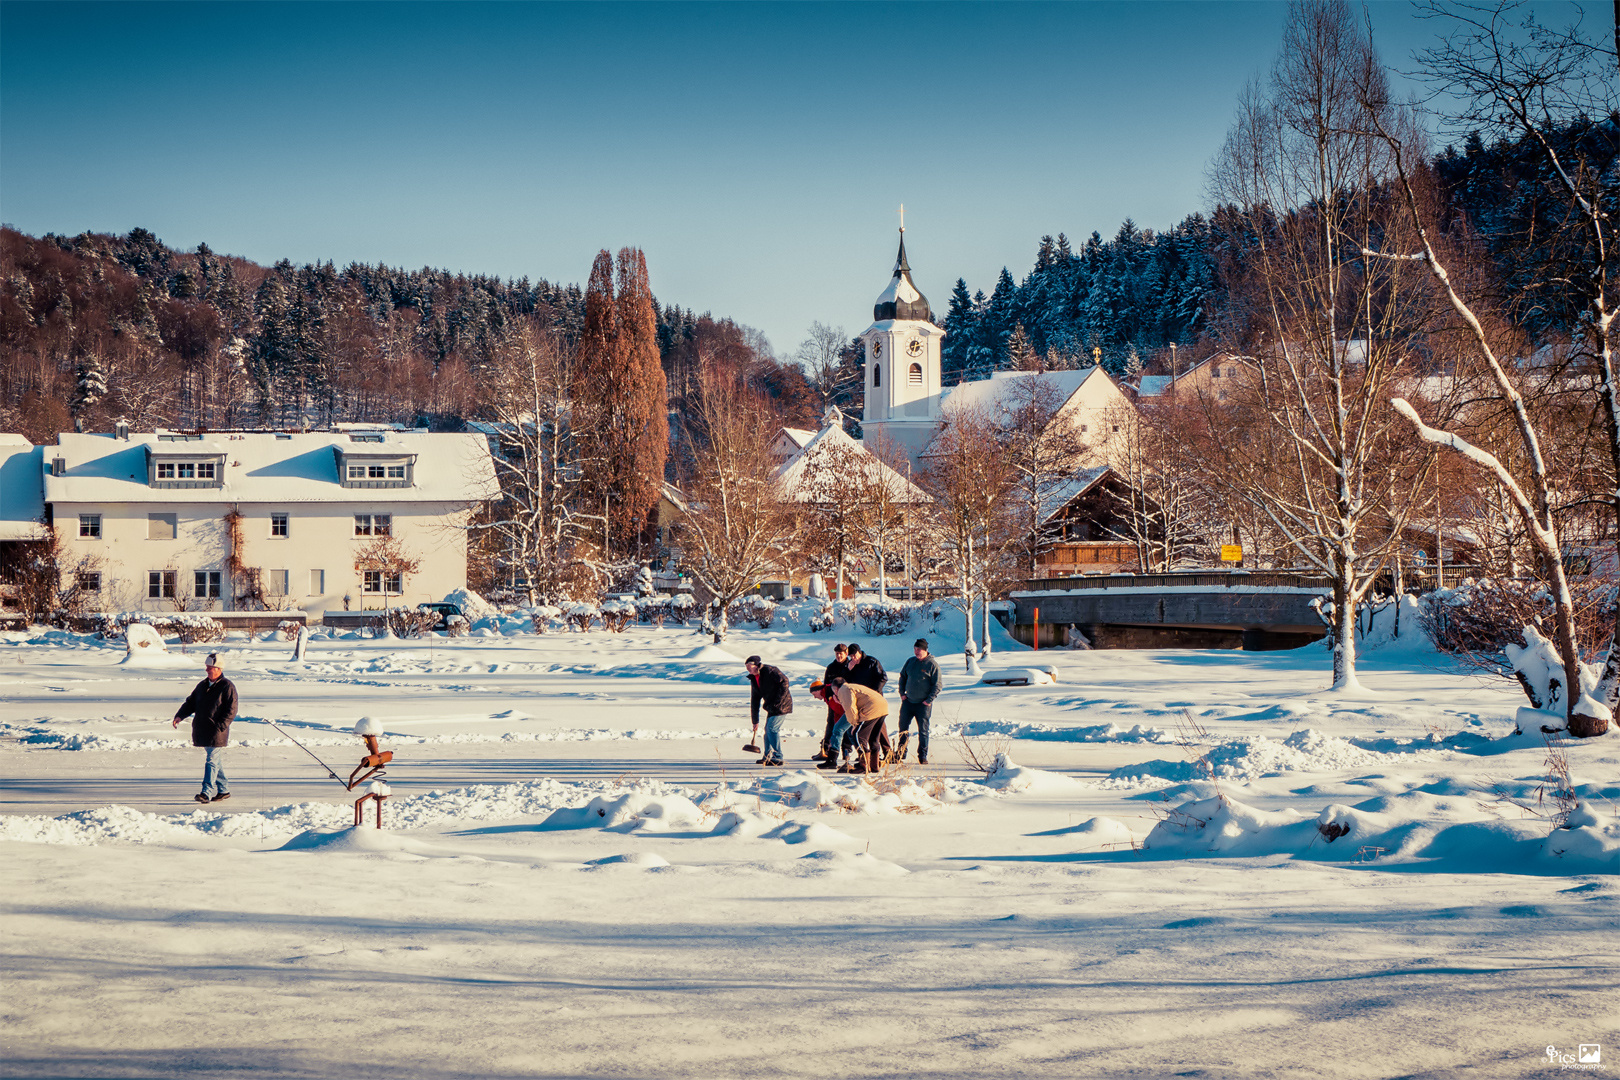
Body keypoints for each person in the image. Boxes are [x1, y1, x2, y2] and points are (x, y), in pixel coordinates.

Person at [171, 652, 238, 803]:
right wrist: (180, 715)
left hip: (217, 731)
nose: (207, 670)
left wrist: (221, 726)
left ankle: (206, 792)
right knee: (215, 761)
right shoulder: (202, 685)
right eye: (206, 667)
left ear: (219, 669)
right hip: (203, 729)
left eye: (210, 668)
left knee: (212, 761)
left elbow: (232, 710)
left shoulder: (227, 686)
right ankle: (224, 789)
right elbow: (191, 703)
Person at [823, 676, 889, 773]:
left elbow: (850, 708)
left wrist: (854, 724)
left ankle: (863, 766)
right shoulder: (851, 687)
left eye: (834, 690)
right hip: (882, 707)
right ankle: (874, 766)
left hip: (871, 709)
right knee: (873, 737)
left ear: (835, 688)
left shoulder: (843, 690)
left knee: (858, 735)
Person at [896, 637, 942, 765]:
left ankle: (922, 755)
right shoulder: (910, 662)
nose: (916, 652)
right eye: (915, 649)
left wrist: (929, 700)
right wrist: (902, 693)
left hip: (923, 705)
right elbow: (903, 677)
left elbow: (937, 685)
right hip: (908, 702)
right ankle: (901, 753)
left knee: (923, 731)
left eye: (919, 649)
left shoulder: (932, 665)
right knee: (903, 728)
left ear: (925, 650)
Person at [844, 644, 891, 763]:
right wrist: (849, 670)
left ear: (860, 653)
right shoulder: (851, 665)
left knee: (879, 728)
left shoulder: (871, 661)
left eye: (854, 655)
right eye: (850, 656)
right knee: (866, 729)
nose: (853, 658)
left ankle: (887, 752)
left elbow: (883, 677)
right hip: (861, 700)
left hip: (875, 700)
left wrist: (873, 692)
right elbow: (848, 683)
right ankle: (867, 755)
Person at [744, 655, 792, 766]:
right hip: (771, 706)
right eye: (746, 666)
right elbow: (755, 700)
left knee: (772, 728)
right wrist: (755, 721)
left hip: (782, 705)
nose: (748, 668)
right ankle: (767, 756)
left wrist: (778, 700)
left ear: (756, 665)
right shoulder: (754, 679)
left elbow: (785, 681)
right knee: (767, 730)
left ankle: (778, 757)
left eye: (749, 666)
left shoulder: (770, 670)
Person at [814, 644, 852, 761]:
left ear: (846, 654)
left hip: (846, 701)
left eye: (841, 653)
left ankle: (846, 750)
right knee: (831, 723)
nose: (839, 656)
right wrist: (830, 698)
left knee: (845, 726)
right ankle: (825, 749)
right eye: (837, 654)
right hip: (833, 701)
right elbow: (826, 685)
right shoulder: (831, 667)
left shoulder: (850, 666)